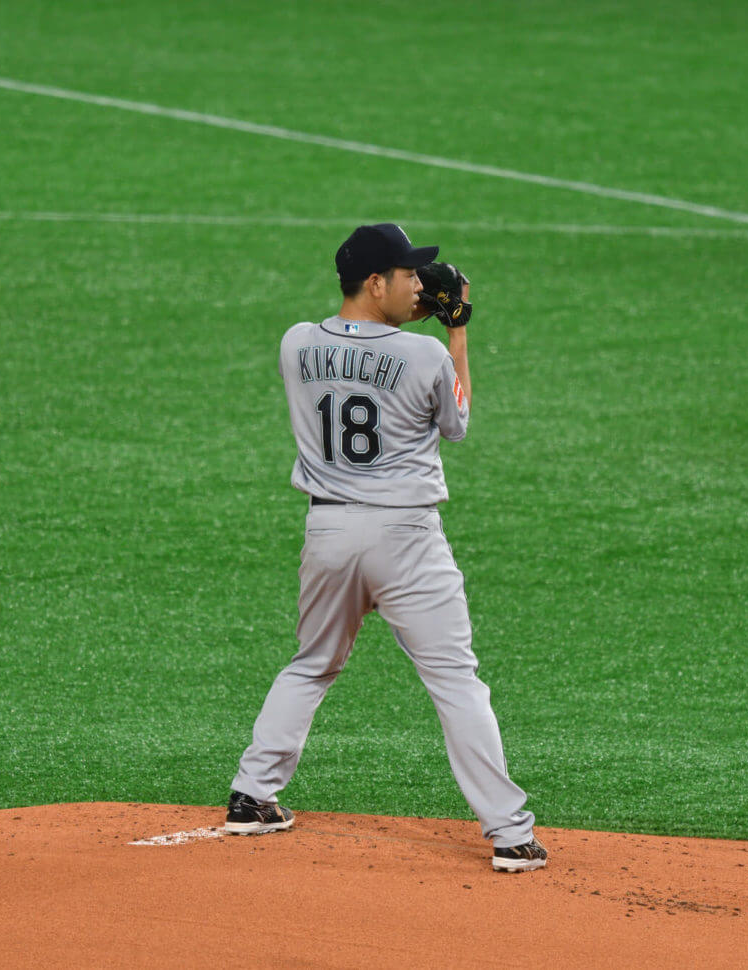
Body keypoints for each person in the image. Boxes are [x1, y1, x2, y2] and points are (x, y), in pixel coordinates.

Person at [223, 223, 546, 873]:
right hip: (405, 537)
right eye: (407, 275)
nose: (419, 283)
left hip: (330, 534)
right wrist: (454, 329)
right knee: (455, 680)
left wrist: (411, 315)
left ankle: (253, 795)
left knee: (313, 661)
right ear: (375, 282)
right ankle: (509, 832)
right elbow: (456, 421)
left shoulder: (295, 344)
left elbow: (357, 351)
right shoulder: (424, 355)